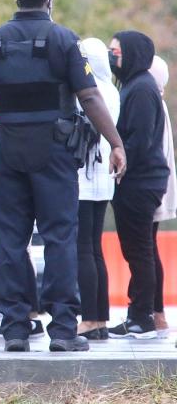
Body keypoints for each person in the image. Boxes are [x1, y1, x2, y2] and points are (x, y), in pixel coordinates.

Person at [0, 0, 125, 353]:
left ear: (18, 0)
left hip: (8, 152)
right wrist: (115, 142)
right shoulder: (64, 40)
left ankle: (16, 328)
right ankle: (65, 330)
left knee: (11, 242)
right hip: (53, 152)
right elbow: (90, 97)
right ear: (49, 1)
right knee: (60, 238)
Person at [107, 31, 169, 340]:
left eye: (115, 52)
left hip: (140, 181)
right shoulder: (134, 85)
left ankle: (142, 315)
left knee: (140, 249)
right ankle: (139, 311)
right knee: (137, 249)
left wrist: (117, 156)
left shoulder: (141, 89)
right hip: (136, 181)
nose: (112, 57)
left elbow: (140, 140)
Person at [75, 38, 119, 341]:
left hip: (83, 177)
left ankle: (89, 317)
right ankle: (100, 317)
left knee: (82, 250)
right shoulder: (113, 90)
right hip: (104, 179)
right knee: (95, 249)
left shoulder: (87, 92)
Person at [149, 55, 175, 338]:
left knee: (147, 249)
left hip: (153, 185)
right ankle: (156, 311)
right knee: (149, 248)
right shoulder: (159, 102)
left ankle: (155, 311)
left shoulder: (151, 102)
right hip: (159, 185)